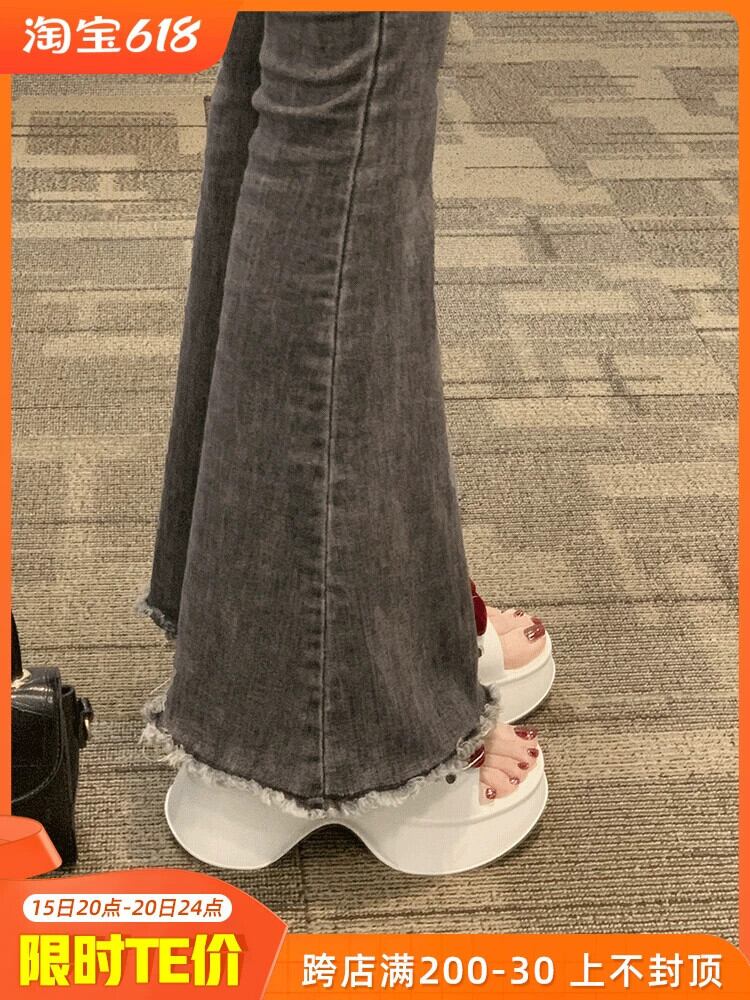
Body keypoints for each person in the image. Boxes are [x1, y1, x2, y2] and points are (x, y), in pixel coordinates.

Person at [139, 11, 554, 874]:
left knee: (288, 83)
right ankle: (333, 717)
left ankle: (260, 652)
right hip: (322, 705)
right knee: (351, 107)